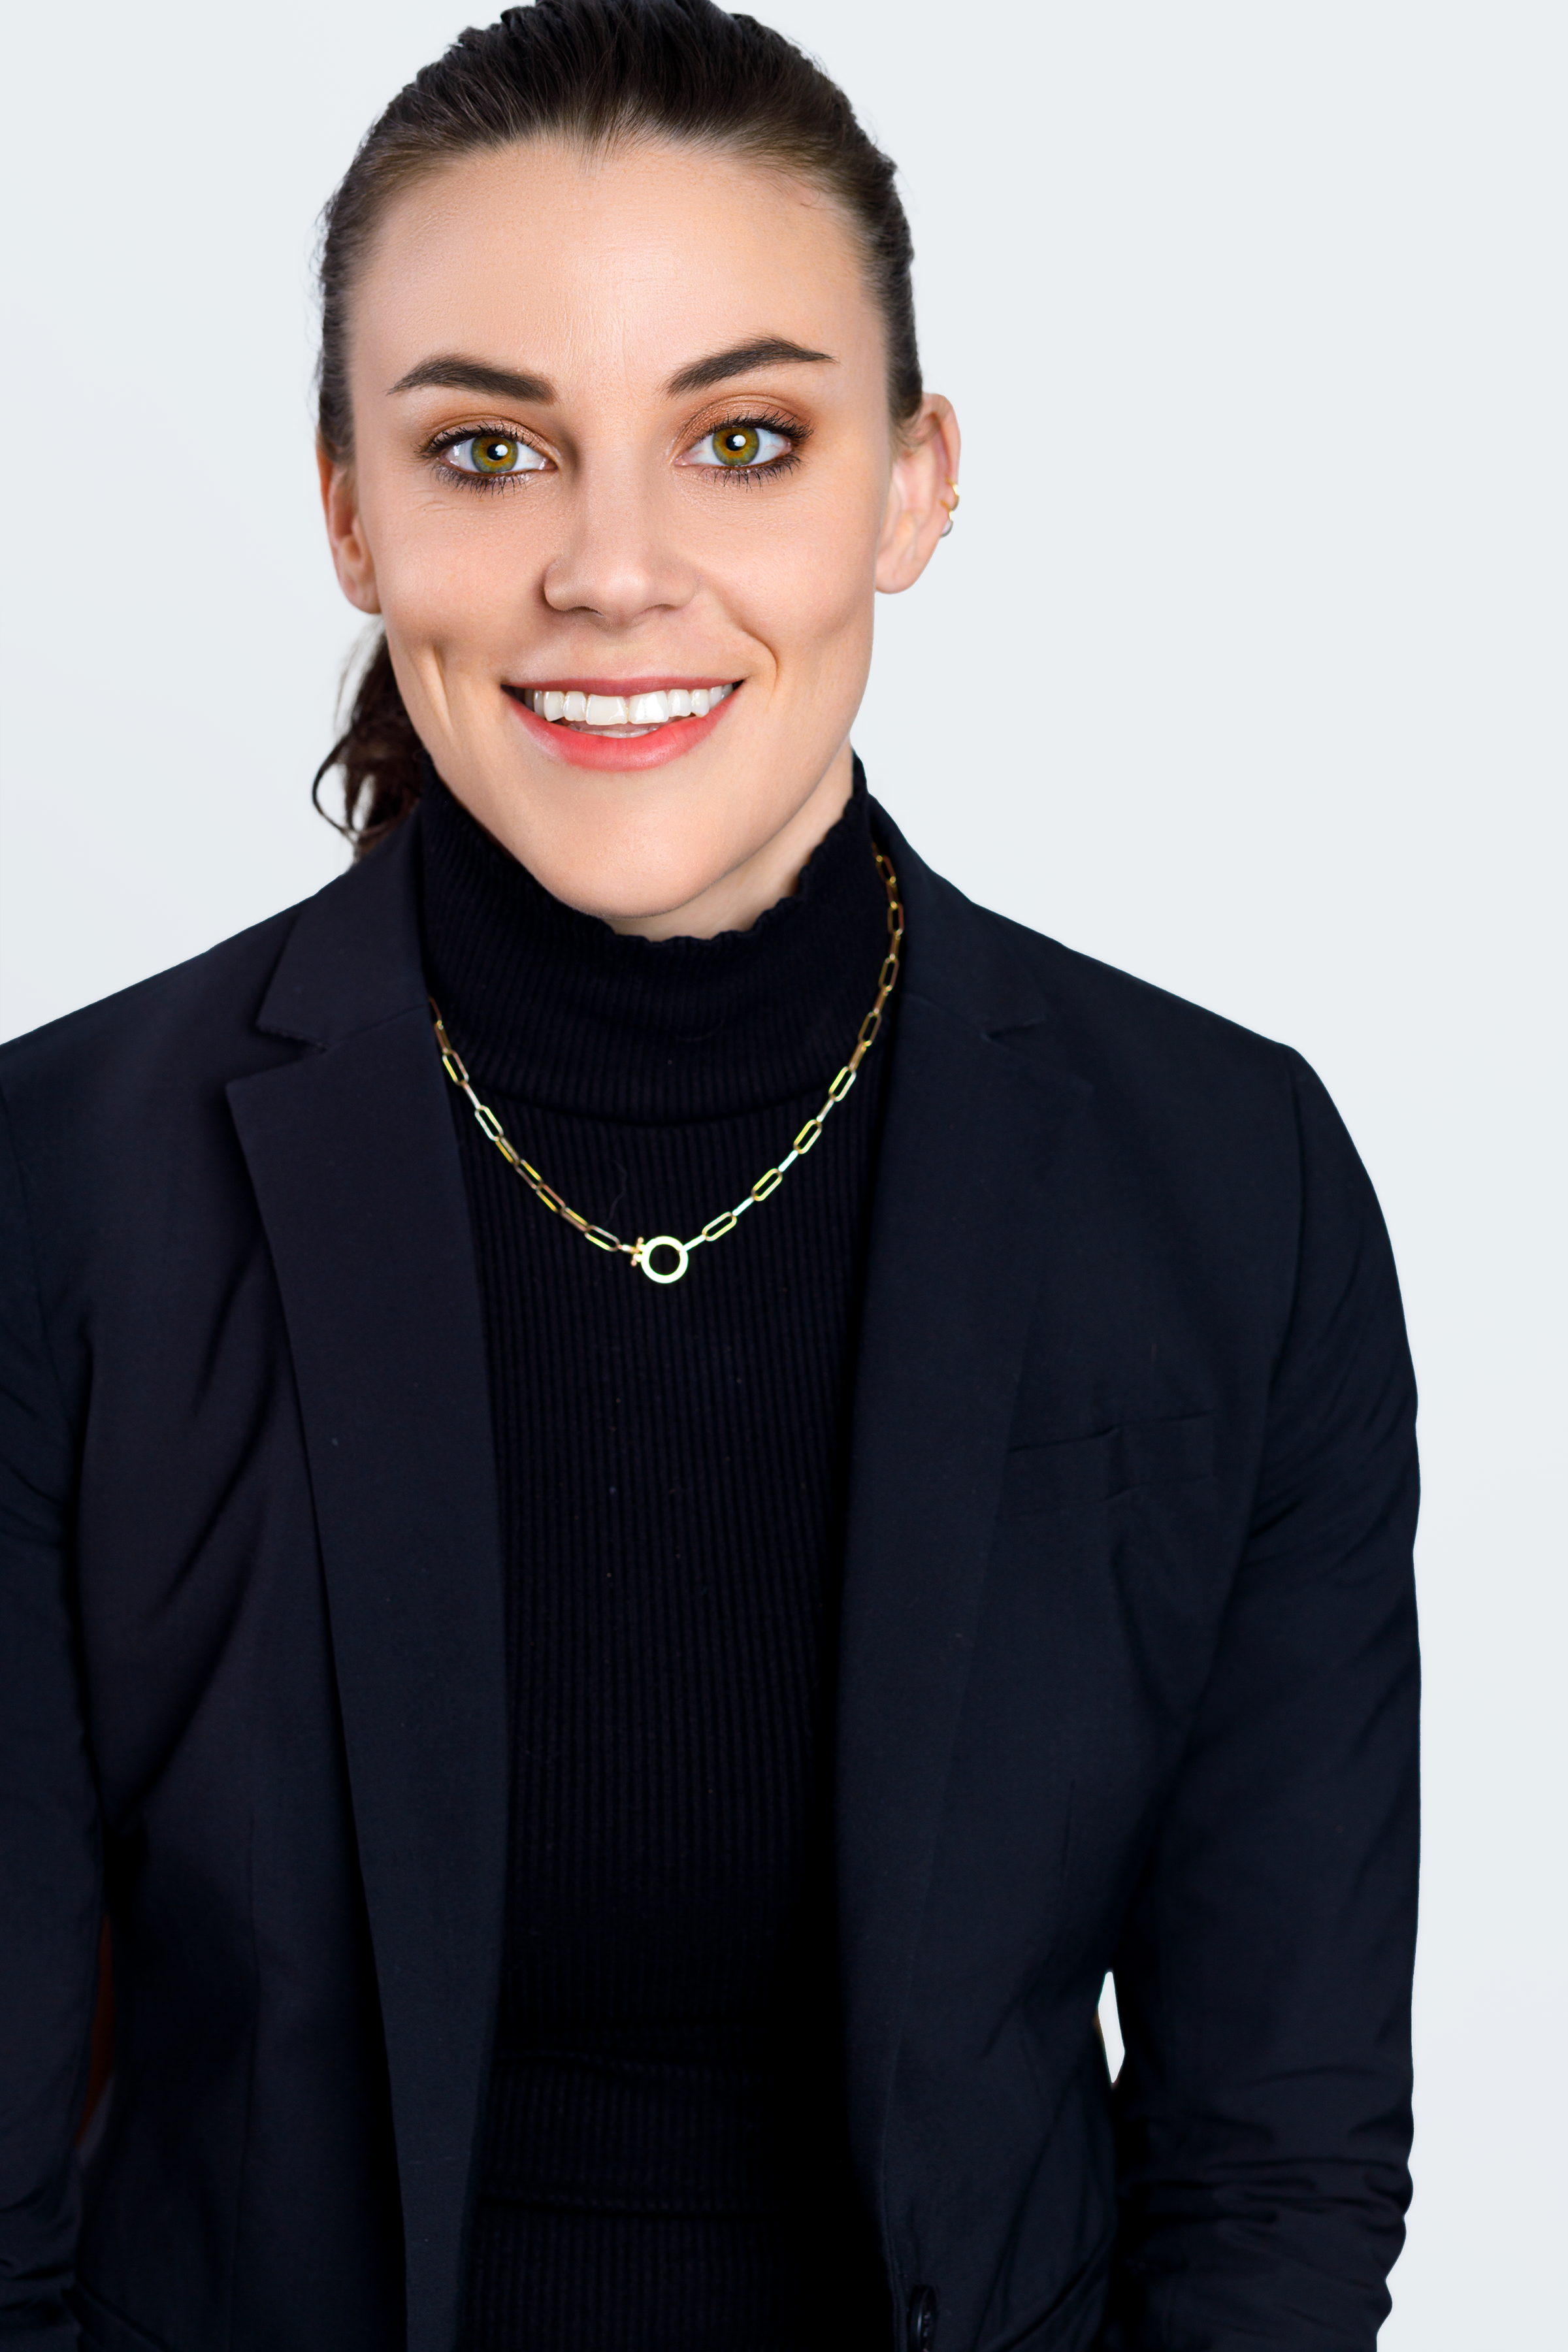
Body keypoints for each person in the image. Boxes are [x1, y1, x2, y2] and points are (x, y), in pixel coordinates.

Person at [0, 3, 1420, 2348]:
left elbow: (1272, 2158)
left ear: (913, 485)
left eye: (745, 439)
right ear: (350, 507)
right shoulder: (65, 1195)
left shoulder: (1223, 1184)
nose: (614, 573)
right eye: (489, 452)